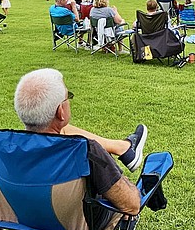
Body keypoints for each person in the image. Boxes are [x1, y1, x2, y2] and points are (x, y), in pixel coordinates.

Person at [14, 69, 148, 206]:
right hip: (77, 221)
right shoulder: (87, 151)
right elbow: (132, 204)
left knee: (57, 128)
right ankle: (123, 150)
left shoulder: (8, 149)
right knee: (120, 190)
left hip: (25, 217)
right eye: (68, 97)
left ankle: (123, 148)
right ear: (61, 111)